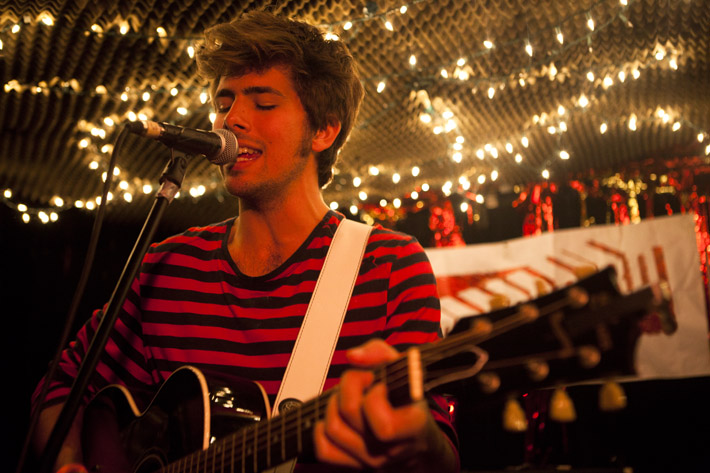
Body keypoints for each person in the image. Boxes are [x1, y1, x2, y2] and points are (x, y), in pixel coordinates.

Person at [31, 10, 460, 473]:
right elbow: (61, 384)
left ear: (324, 130)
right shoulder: (165, 268)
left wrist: (418, 442)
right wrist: (68, 463)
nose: (231, 119)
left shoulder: (389, 266)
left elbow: (442, 455)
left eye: (264, 103)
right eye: (224, 103)